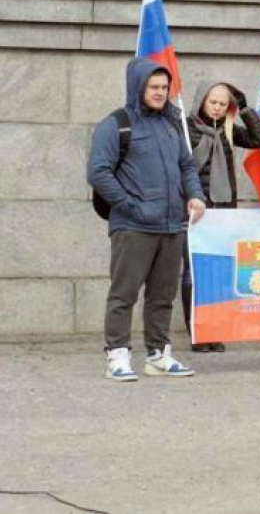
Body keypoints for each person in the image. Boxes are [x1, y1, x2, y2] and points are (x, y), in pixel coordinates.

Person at [88, 57, 206, 382]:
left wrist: (195, 196)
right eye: (153, 87)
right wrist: (130, 205)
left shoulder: (171, 125)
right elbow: (98, 172)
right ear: (138, 86)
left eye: (164, 87)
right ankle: (117, 355)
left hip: (172, 225)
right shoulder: (116, 124)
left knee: (162, 295)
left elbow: (186, 166)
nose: (160, 92)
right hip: (133, 226)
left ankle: (158, 355)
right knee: (123, 293)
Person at [181, 81, 260, 353]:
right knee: (193, 274)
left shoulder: (228, 130)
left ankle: (213, 331)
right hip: (194, 211)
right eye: (213, 102)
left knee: (218, 272)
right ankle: (197, 331)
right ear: (201, 102)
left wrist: (243, 108)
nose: (218, 108)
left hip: (223, 211)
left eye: (222, 104)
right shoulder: (185, 128)